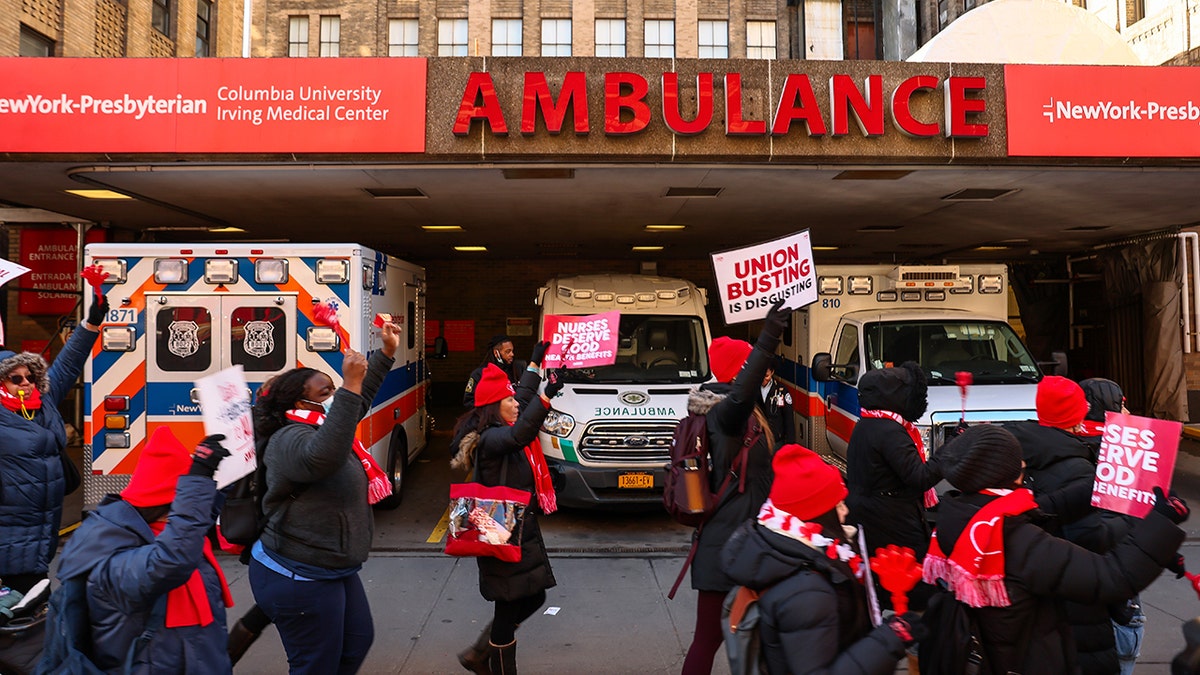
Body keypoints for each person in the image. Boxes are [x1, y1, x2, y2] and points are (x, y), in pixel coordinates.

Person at [926, 424, 1189, 675]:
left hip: (994, 656)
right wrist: (1162, 522)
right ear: (1005, 471)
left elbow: (1045, 508)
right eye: (1017, 460)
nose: (1024, 464)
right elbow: (1112, 578)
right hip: (1027, 661)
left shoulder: (963, 515)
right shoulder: (1015, 539)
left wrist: (1106, 485)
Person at [247, 322, 400, 674]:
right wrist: (350, 384)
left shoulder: (322, 423)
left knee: (355, 643)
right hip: (299, 574)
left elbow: (352, 409)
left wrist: (386, 353)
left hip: (331, 566)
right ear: (298, 401)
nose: (334, 398)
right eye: (325, 392)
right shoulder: (289, 439)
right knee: (316, 664)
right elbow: (324, 456)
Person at [722, 444, 922, 674]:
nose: (845, 511)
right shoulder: (808, 592)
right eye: (837, 505)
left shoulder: (787, 553)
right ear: (815, 514)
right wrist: (892, 637)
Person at [49, 426, 234, 673]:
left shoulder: (154, 531)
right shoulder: (111, 557)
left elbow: (197, 520)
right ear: (166, 505)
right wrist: (197, 480)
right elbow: (173, 557)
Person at [680, 301, 787, 675]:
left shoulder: (739, 413)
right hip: (732, 545)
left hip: (744, 540)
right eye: (748, 369)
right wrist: (769, 336)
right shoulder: (725, 413)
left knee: (755, 636)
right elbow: (742, 392)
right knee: (710, 640)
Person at [1009, 375, 1140, 674]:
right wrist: (1129, 519)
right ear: (1077, 415)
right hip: (1080, 599)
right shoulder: (1077, 468)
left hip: (1033, 595)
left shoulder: (1018, 453)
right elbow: (1092, 538)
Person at [450, 340, 560, 674]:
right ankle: (490, 662)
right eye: (508, 400)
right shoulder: (490, 438)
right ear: (494, 407)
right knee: (508, 605)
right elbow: (520, 435)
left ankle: (480, 653)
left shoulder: (502, 422)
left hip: (517, 527)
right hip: (500, 531)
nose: (516, 403)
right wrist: (546, 397)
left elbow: (523, 401)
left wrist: (535, 366)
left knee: (532, 597)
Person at [0, 292, 106, 596]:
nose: (25, 383)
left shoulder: (43, 401)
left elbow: (69, 363)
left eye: (29, 376)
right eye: (14, 379)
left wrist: (92, 322)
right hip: (8, 545)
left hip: (41, 539)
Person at [844, 361, 942, 609]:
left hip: (875, 514)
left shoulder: (868, 423)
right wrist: (950, 454)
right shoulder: (889, 431)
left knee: (885, 581)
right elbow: (919, 477)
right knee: (909, 585)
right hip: (892, 519)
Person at [1079, 377, 1145, 675]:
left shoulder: (1062, 446)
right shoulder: (1126, 453)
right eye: (1123, 405)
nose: (1128, 413)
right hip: (1119, 573)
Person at [463, 335, 527, 408]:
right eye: (507, 352)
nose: (512, 354)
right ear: (496, 353)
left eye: (512, 351)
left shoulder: (517, 370)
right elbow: (469, 401)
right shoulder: (479, 374)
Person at [759, 355, 795, 445]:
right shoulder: (752, 389)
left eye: (766, 376)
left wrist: (790, 444)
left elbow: (788, 418)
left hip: (776, 439)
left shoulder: (781, 390)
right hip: (758, 440)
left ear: (772, 372)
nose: (763, 379)